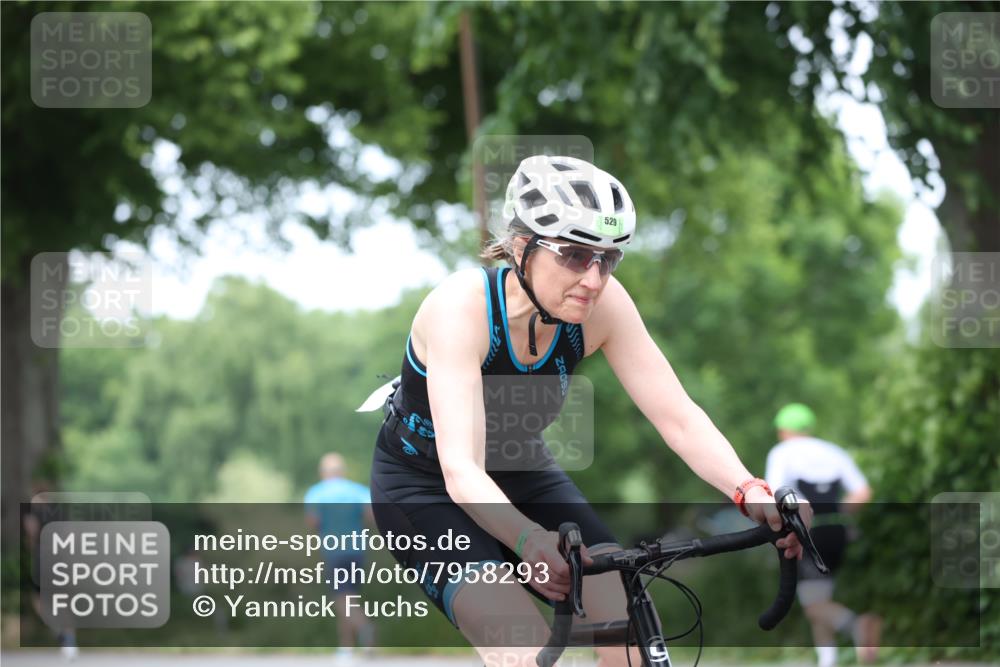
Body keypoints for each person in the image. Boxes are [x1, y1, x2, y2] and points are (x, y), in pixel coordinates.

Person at [368, 155, 808, 667]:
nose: (594, 279)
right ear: (520, 246)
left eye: (608, 259)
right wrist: (529, 540)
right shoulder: (460, 308)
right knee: (526, 651)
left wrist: (748, 487)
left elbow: (678, 417)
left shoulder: (604, 308)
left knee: (633, 646)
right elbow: (460, 469)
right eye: (575, 255)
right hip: (423, 486)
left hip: (520, 470)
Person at [765, 403, 881, 667]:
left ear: (783, 430)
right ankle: (827, 662)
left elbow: (774, 494)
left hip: (807, 534)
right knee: (820, 600)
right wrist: (839, 513)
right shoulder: (833, 452)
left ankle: (856, 625)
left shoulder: (781, 453)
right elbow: (863, 492)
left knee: (813, 606)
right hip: (837, 532)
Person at [304, 453, 376, 665]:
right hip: (357, 551)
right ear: (342, 471)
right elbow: (371, 516)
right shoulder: (357, 490)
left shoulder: (316, 493)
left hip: (334, 551)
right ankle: (346, 647)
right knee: (349, 596)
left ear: (323, 472)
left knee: (342, 598)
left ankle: (364, 627)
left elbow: (312, 521)